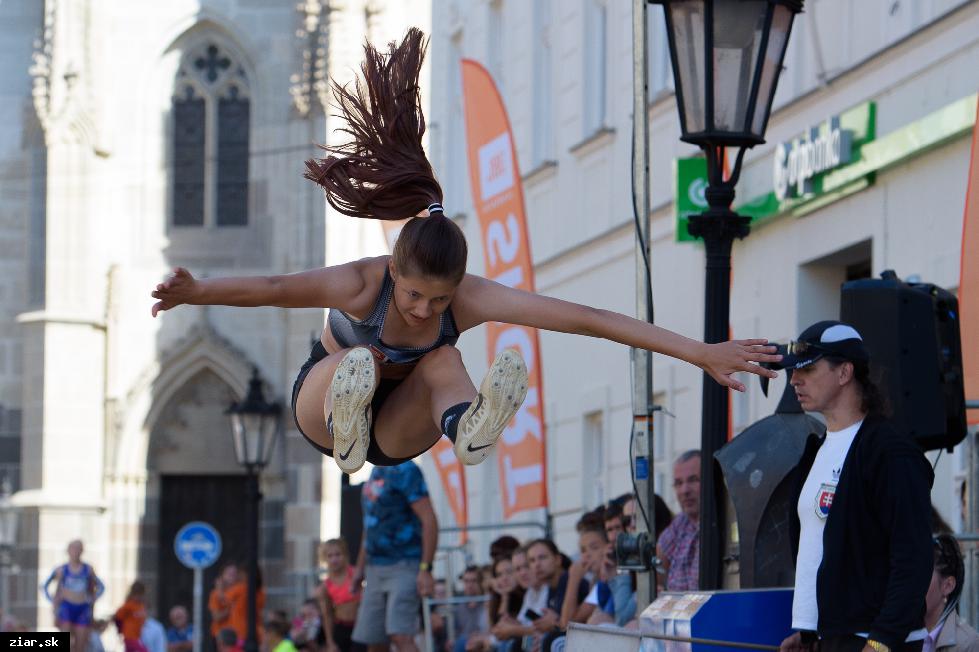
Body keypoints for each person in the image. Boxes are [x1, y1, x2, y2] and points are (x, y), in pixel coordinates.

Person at [148, 29, 781, 476]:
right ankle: (348, 410)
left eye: (440, 298)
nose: (424, 308)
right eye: (415, 294)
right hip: (321, 411)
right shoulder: (362, 284)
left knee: (443, 356)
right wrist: (195, 291)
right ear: (394, 270)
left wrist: (701, 353)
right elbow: (275, 288)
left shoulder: (468, 300)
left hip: (398, 432)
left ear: (459, 286)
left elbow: (587, 318)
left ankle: (467, 426)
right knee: (360, 358)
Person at [778, 321, 934, 652]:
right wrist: (811, 633)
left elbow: (913, 558)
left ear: (844, 372)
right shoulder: (816, 450)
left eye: (808, 368)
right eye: (794, 371)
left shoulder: (890, 451)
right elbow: (818, 551)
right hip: (834, 637)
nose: (794, 379)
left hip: (875, 639)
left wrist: (882, 641)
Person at [351, 460, 437, 652]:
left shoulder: (406, 469)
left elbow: (429, 519)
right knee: (374, 639)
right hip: (374, 567)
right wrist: (359, 567)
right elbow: (371, 523)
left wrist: (426, 568)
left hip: (404, 564)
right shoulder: (376, 470)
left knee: (400, 634)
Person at [42, 539, 106, 652]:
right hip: (66, 607)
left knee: (80, 645)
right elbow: (44, 586)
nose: (75, 552)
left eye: (78, 549)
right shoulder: (61, 570)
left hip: (82, 608)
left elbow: (101, 587)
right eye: (73, 549)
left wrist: (92, 599)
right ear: (68, 551)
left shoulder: (88, 569)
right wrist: (53, 600)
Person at [924, 534, 979, 652]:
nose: (913, 585)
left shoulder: (968, 643)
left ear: (948, 586)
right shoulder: (898, 632)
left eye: (923, 576)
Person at [656, 450, 701, 591]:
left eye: (693, 480)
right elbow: (657, 572)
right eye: (678, 483)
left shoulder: (722, 521)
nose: (684, 490)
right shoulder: (680, 523)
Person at [316, 538, 363, 652]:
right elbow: (327, 615)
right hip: (341, 628)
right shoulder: (325, 587)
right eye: (330, 556)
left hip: (360, 626)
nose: (334, 559)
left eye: (338, 554)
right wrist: (330, 642)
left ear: (345, 555)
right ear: (324, 559)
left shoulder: (356, 575)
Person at [448, 566, 490, 652]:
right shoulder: (460, 606)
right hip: (465, 643)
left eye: (473, 581)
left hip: (482, 641)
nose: (470, 585)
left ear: (480, 582)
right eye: (466, 581)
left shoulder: (486, 603)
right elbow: (456, 632)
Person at [208, 564, 239, 648]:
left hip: (237, 635)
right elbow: (216, 617)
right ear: (222, 576)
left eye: (234, 574)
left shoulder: (240, 591)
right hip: (221, 637)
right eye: (229, 574)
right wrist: (230, 608)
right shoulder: (215, 594)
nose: (232, 576)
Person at [114, 581, 148, 652]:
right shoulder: (128, 605)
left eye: (140, 595)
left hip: (137, 636)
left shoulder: (141, 606)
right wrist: (120, 631)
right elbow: (117, 617)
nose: (138, 597)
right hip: (129, 636)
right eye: (136, 595)